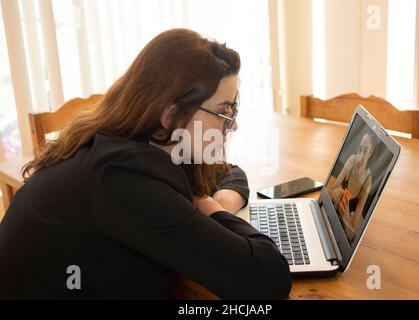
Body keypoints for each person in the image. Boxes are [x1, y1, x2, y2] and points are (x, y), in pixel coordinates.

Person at [0, 29, 292, 299]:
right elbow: (267, 279)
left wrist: (219, 201)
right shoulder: (123, 179)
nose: (234, 125)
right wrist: (211, 211)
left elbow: (228, 172)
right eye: (224, 111)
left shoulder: (124, 145)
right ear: (169, 113)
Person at [328, 132, 375, 242]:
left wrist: (346, 217)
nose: (360, 155)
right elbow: (329, 192)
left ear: (371, 152)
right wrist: (335, 192)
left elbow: (351, 234)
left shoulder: (368, 179)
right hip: (335, 215)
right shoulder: (351, 160)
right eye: (360, 149)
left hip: (348, 220)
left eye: (365, 150)